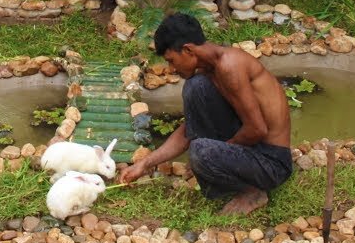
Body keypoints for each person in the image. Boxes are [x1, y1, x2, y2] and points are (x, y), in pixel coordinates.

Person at [119, 13, 293, 215]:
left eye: (172, 61)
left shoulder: (230, 66)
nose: (171, 69)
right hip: (253, 150)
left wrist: (216, 156)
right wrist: (145, 163)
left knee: (201, 151)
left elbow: (257, 129)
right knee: (196, 88)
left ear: (188, 50)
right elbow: (188, 131)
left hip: (272, 162)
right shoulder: (207, 72)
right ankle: (226, 171)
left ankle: (252, 192)